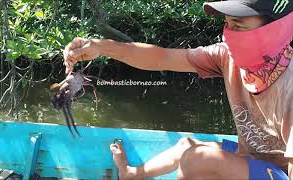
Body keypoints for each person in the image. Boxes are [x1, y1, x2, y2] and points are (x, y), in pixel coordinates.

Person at [63, 0, 293, 179]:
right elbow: (162, 57)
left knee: (198, 160)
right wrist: (102, 47)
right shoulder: (226, 56)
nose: (229, 34)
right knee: (186, 146)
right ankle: (131, 174)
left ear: (275, 27)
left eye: (239, 25)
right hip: (252, 159)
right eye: (227, 24)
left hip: (281, 174)